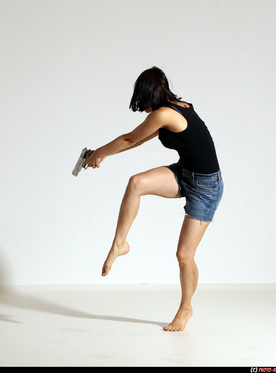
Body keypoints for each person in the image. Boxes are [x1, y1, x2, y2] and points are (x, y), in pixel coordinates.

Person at [83, 66, 224, 332]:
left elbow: (128, 138)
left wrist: (99, 152)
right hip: (184, 174)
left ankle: (186, 308)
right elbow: (137, 140)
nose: (143, 108)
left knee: (184, 255)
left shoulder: (166, 113)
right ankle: (120, 243)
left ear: (150, 95)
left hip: (207, 187)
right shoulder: (171, 109)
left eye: (142, 100)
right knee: (136, 183)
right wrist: (100, 155)